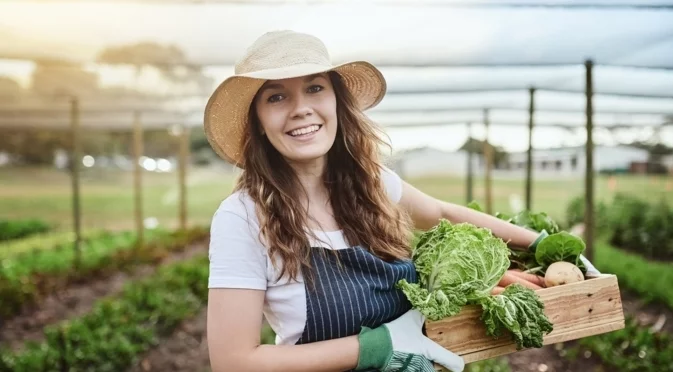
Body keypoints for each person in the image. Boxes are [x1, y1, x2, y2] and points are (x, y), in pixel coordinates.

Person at [203, 30, 599, 372]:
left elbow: (443, 213)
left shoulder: (370, 184)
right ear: (257, 120)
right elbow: (234, 361)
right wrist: (376, 346)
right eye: (276, 97)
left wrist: (542, 243)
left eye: (314, 87)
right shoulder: (243, 217)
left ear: (336, 100)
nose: (301, 107)